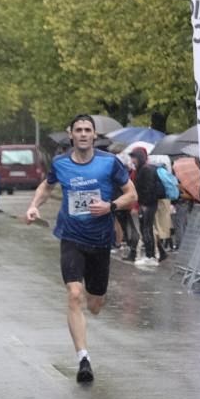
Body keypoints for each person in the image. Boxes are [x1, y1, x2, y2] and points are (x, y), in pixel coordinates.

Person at [25, 114, 137, 384]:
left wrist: (110, 207)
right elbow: (47, 185)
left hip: (100, 240)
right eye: (79, 130)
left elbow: (131, 194)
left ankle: (95, 297)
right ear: (71, 134)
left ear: (94, 135)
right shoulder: (61, 163)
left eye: (88, 130)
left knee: (95, 304)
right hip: (71, 236)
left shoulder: (109, 163)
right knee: (74, 294)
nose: (84, 134)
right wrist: (33, 205)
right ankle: (83, 359)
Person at [129, 146, 162, 268]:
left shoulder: (145, 170)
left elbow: (147, 188)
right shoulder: (143, 169)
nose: (132, 161)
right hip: (147, 203)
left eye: (134, 158)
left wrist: (143, 204)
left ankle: (150, 256)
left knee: (146, 229)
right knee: (146, 229)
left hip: (148, 204)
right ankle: (154, 254)